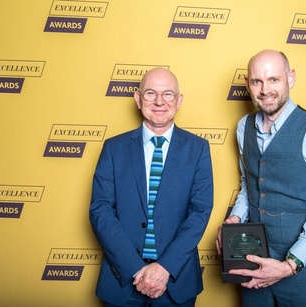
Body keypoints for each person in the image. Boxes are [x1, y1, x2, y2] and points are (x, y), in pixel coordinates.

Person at [216, 49, 306, 306]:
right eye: (257, 81)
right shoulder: (243, 127)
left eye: (274, 79)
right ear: (248, 84)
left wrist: (289, 265)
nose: (265, 90)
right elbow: (249, 186)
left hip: (304, 272)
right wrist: (235, 218)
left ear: (290, 78)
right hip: (253, 265)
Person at [90, 68, 214, 307]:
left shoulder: (198, 149)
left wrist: (165, 268)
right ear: (138, 99)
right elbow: (100, 211)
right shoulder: (113, 148)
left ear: (179, 101)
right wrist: (135, 269)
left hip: (175, 281)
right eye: (150, 93)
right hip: (122, 281)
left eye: (168, 94)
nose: (159, 101)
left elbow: (200, 211)